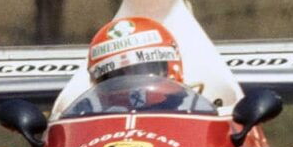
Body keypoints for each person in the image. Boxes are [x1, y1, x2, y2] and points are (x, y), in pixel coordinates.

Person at [63, 17, 217, 116]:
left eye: (142, 69)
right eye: (117, 75)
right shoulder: (84, 116)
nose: (132, 83)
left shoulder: (198, 110)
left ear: (170, 65)